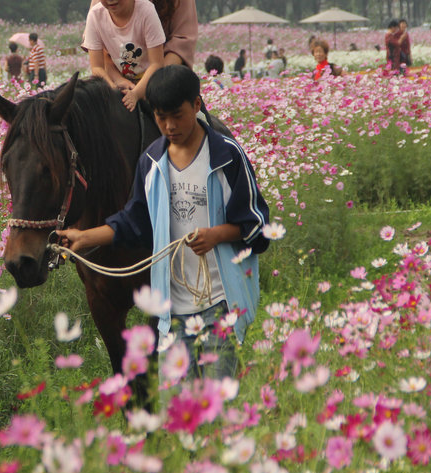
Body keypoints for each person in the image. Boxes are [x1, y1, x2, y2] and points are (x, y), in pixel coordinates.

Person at [56, 65, 270, 380]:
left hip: (221, 301)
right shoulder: (152, 162)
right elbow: (133, 222)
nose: (169, 126)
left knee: (215, 408)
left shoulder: (227, 157)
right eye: (160, 117)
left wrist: (216, 235)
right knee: (181, 409)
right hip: (172, 309)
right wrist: (84, 238)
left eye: (177, 115)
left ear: (197, 105)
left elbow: (258, 228)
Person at [83, 0, 165, 112]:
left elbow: (157, 64)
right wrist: (114, 88)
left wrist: (135, 94)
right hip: (117, 81)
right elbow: (97, 67)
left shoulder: (146, 11)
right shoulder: (95, 15)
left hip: (150, 82)